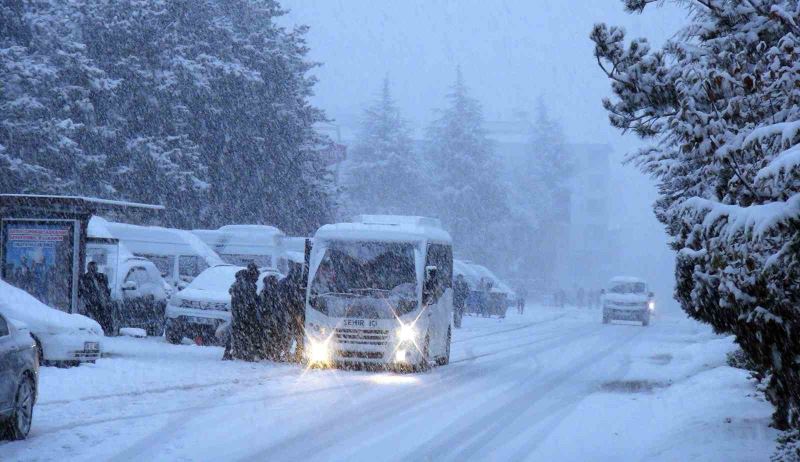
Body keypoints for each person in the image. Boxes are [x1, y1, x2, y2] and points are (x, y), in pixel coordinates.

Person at [224, 263, 261, 361]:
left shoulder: (238, 282)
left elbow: (232, 292)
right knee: (248, 332)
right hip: (245, 313)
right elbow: (252, 300)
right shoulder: (248, 284)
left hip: (237, 312)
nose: (257, 279)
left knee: (234, 332)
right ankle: (247, 354)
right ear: (253, 274)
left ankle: (229, 352)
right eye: (256, 277)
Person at [279, 263, 306, 362]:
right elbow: (300, 299)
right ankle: (297, 354)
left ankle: (286, 353)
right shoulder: (300, 284)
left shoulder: (283, 282)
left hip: (287, 312)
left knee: (288, 334)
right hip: (296, 313)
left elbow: (281, 298)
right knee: (298, 335)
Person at [79, 262, 113, 334]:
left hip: (100, 303)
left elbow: (106, 291)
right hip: (91, 304)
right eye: (91, 268)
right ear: (88, 269)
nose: (93, 270)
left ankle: (106, 331)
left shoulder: (102, 277)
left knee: (104, 317)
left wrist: (105, 299)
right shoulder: (84, 279)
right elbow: (83, 292)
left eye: (94, 268)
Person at [259, 274, 283, 361]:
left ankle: (269, 353)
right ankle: (273, 353)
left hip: (270, 318)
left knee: (270, 336)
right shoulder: (274, 292)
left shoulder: (265, 292)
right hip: (271, 318)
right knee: (274, 336)